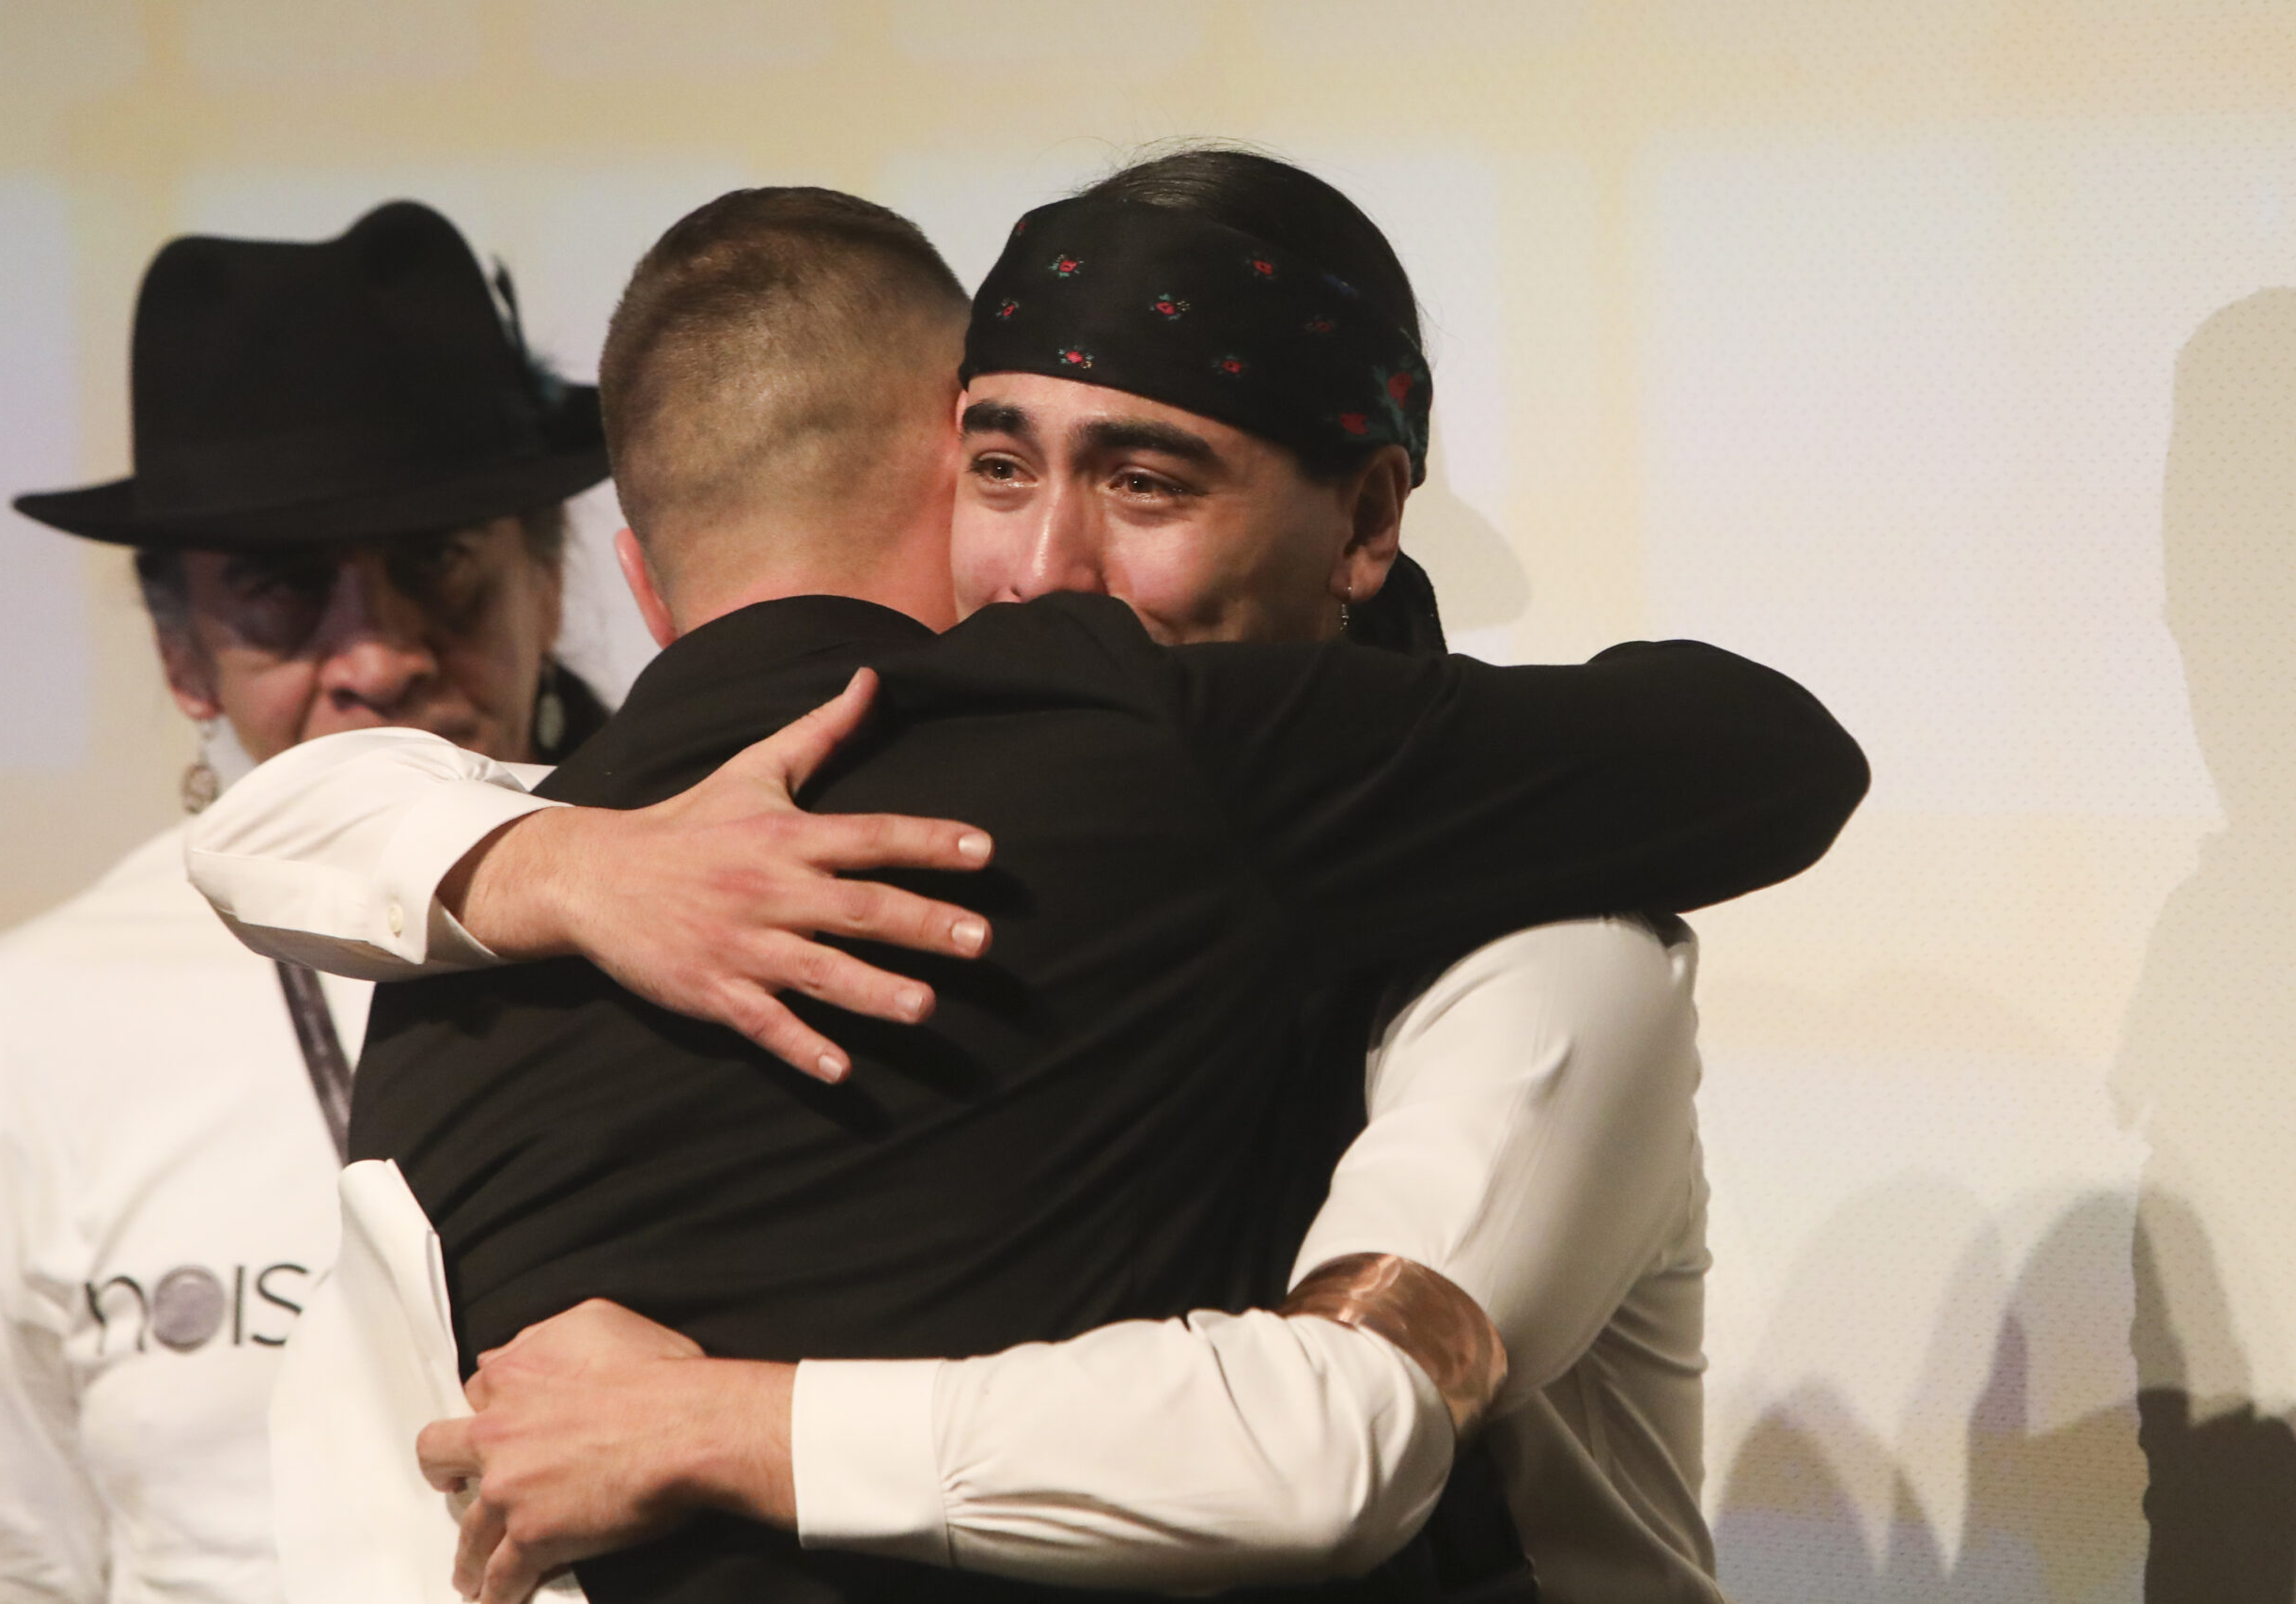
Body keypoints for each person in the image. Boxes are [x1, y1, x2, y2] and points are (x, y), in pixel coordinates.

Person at [193, 174, 1865, 1604]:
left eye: (1145, 485)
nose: (1044, 569)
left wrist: (725, 1424)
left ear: (1364, 520)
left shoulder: (1553, 934)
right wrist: (567, 859)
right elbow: (320, 813)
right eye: (998, 472)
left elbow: (1330, 1435)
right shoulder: (920, 837)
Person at [0, 199, 978, 1604]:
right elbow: (1, 1553)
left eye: (438, 563)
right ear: (179, 649)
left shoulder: (783, 880)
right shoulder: (44, 1019)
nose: (379, 651)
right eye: (285, 591)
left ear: (557, 576)